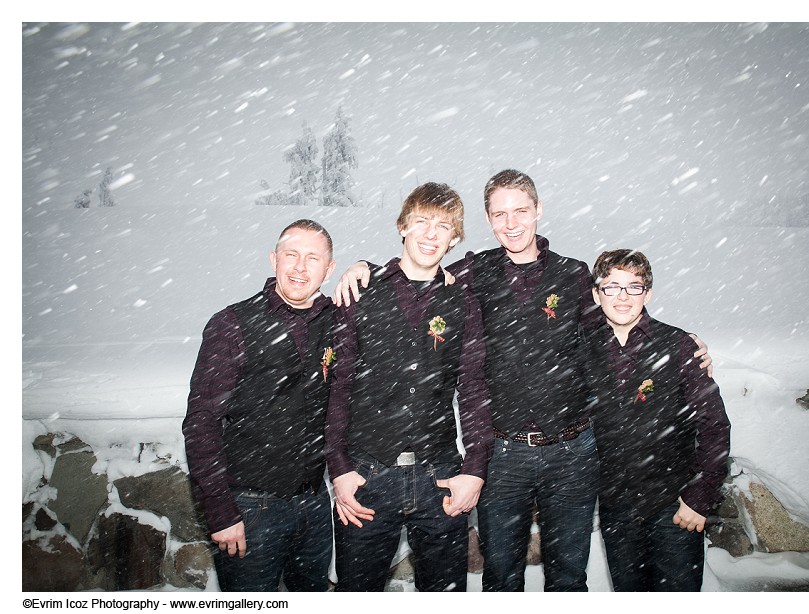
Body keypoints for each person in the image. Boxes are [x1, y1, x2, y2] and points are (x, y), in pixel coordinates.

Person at [333, 169, 712, 591]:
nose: (511, 223)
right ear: (489, 219)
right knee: (501, 576)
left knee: (568, 577)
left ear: (539, 211)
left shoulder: (573, 275)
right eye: (500, 214)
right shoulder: (474, 273)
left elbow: (615, 317)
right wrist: (365, 268)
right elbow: (422, 268)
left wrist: (677, 341)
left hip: (572, 454)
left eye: (520, 211)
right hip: (504, 455)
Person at [324, 182, 493, 592]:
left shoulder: (462, 301)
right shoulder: (360, 292)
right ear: (402, 226)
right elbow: (338, 386)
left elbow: (473, 389)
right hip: (366, 476)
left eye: (443, 226)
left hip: (440, 480)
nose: (431, 234)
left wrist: (474, 470)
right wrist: (339, 468)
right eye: (421, 222)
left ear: (455, 238)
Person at [182, 219, 337, 592]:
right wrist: (220, 512)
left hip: (315, 505)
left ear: (329, 269)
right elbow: (201, 422)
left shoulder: (338, 321)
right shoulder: (232, 324)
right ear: (273, 259)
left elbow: (393, 289)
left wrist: (365, 267)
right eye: (291, 255)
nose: (300, 268)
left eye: (313, 258)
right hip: (250, 508)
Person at [586, 249, 731, 591]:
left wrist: (701, 496)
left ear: (647, 293)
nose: (622, 297)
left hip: (675, 505)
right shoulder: (582, 347)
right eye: (612, 287)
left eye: (633, 287)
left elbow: (713, 424)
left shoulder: (678, 346)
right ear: (597, 293)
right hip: (616, 506)